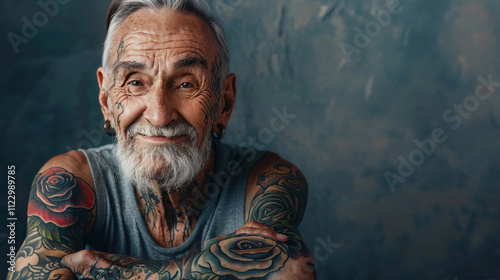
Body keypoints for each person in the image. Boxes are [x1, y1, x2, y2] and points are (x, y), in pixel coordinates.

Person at [8, 0, 315, 279]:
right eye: (136, 82)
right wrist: (215, 268)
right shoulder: (70, 180)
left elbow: (292, 271)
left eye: (185, 83)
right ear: (105, 99)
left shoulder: (268, 178)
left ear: (224, 102)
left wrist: (118, 273)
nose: (159, 115)